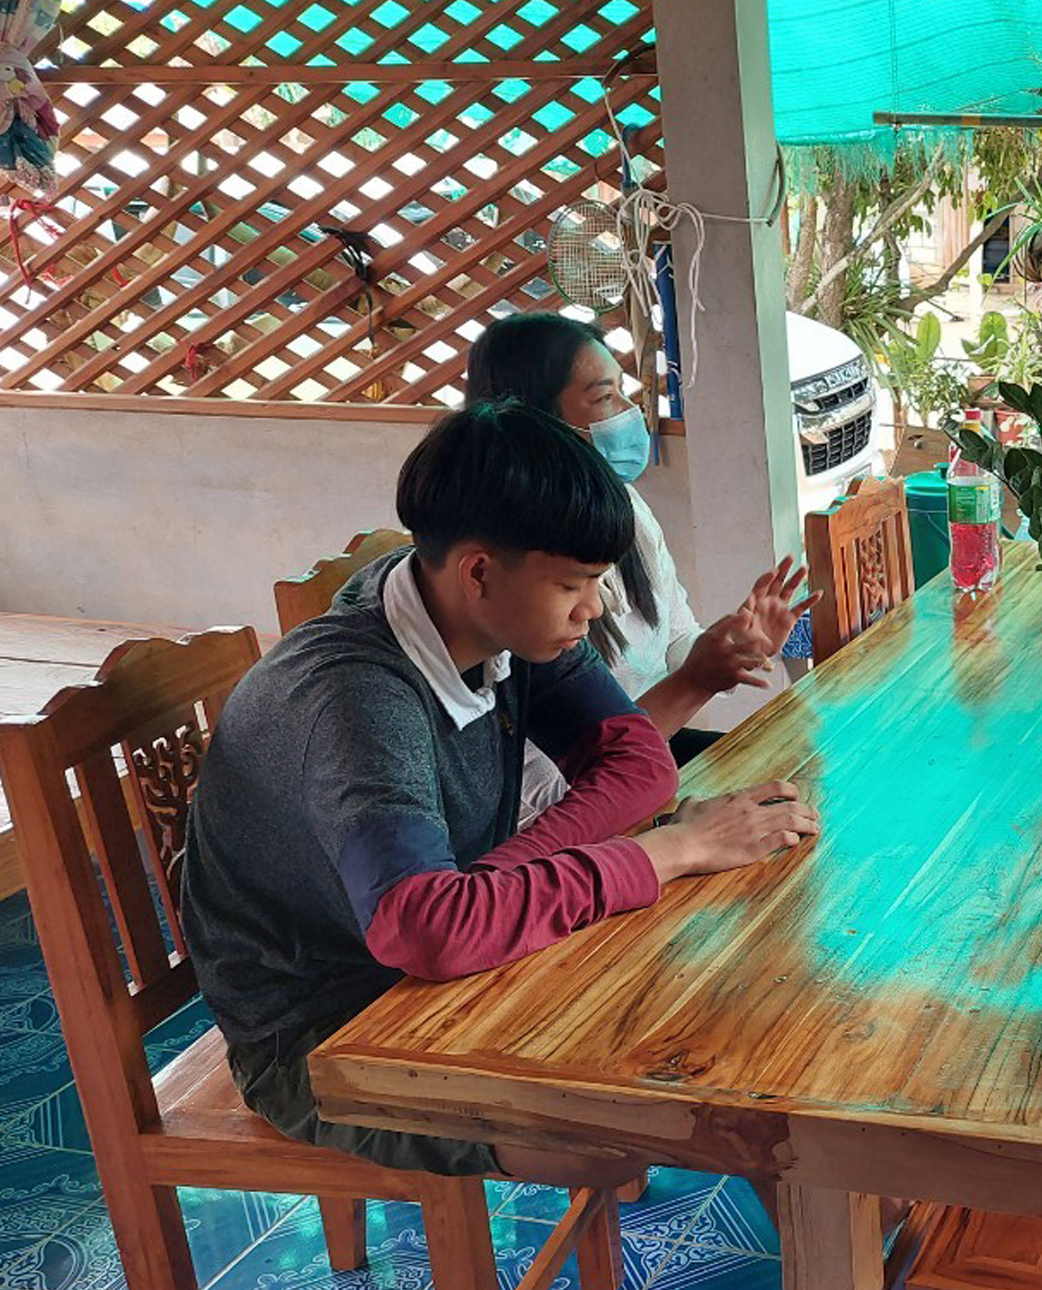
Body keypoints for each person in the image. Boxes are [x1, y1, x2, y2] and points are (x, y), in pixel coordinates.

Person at [180, 401, 820, 1187]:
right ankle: (831, 1252)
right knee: (618, 1131)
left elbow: (639, 762)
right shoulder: (359, 699)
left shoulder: (490, 617)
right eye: (574, 585)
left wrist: (490, 886)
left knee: (712, 999)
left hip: (417, 957)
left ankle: (832, 1227)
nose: (593, 610)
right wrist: (667, 849)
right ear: (479, 570)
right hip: (322, 1033)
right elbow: (428, 932)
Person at [465, 313, 811, 820]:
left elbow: (676, 641)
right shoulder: (516, 581)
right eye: (605, 398)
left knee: (805, 785)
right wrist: (696, 681)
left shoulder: (627, 509)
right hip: (574, 812)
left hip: (642, 770)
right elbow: (552, 798)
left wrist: (730, 647)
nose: (631, 413)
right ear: (537, 421)